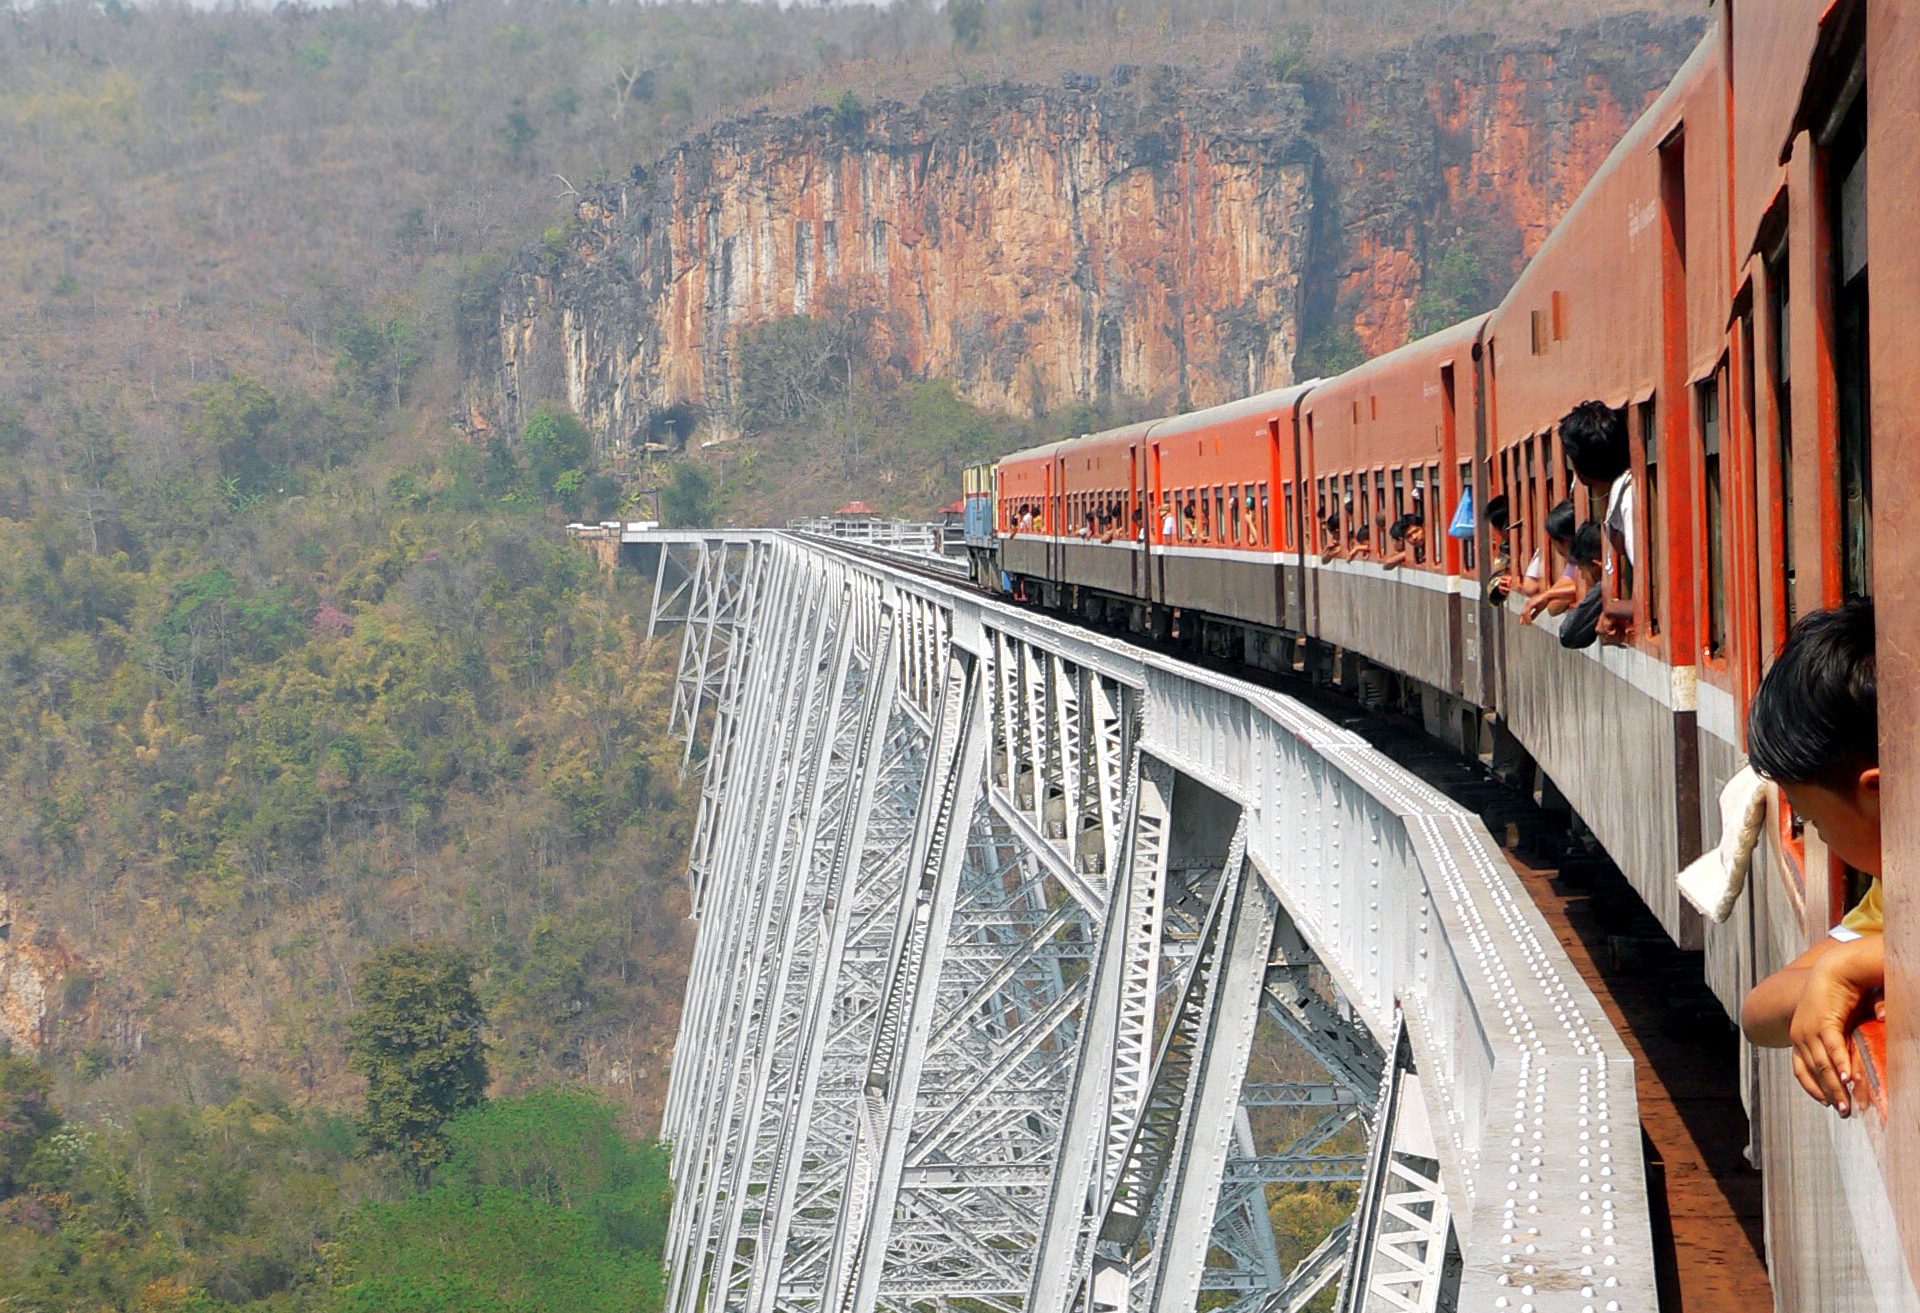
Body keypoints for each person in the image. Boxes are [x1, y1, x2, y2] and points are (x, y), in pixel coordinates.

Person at [1739, 600, 1884, 1118]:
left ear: (1879, 794)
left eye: (1815, 822)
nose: (1818, 835)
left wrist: (1857, 966)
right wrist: (1840, 971)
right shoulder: (1893, 892)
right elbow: (1758, 1011)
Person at [1559, 402, 1634, 641]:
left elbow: (1656, 602)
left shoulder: (1628, 503)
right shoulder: (1621, 498)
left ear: (1579, 472)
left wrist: (1612, 609)